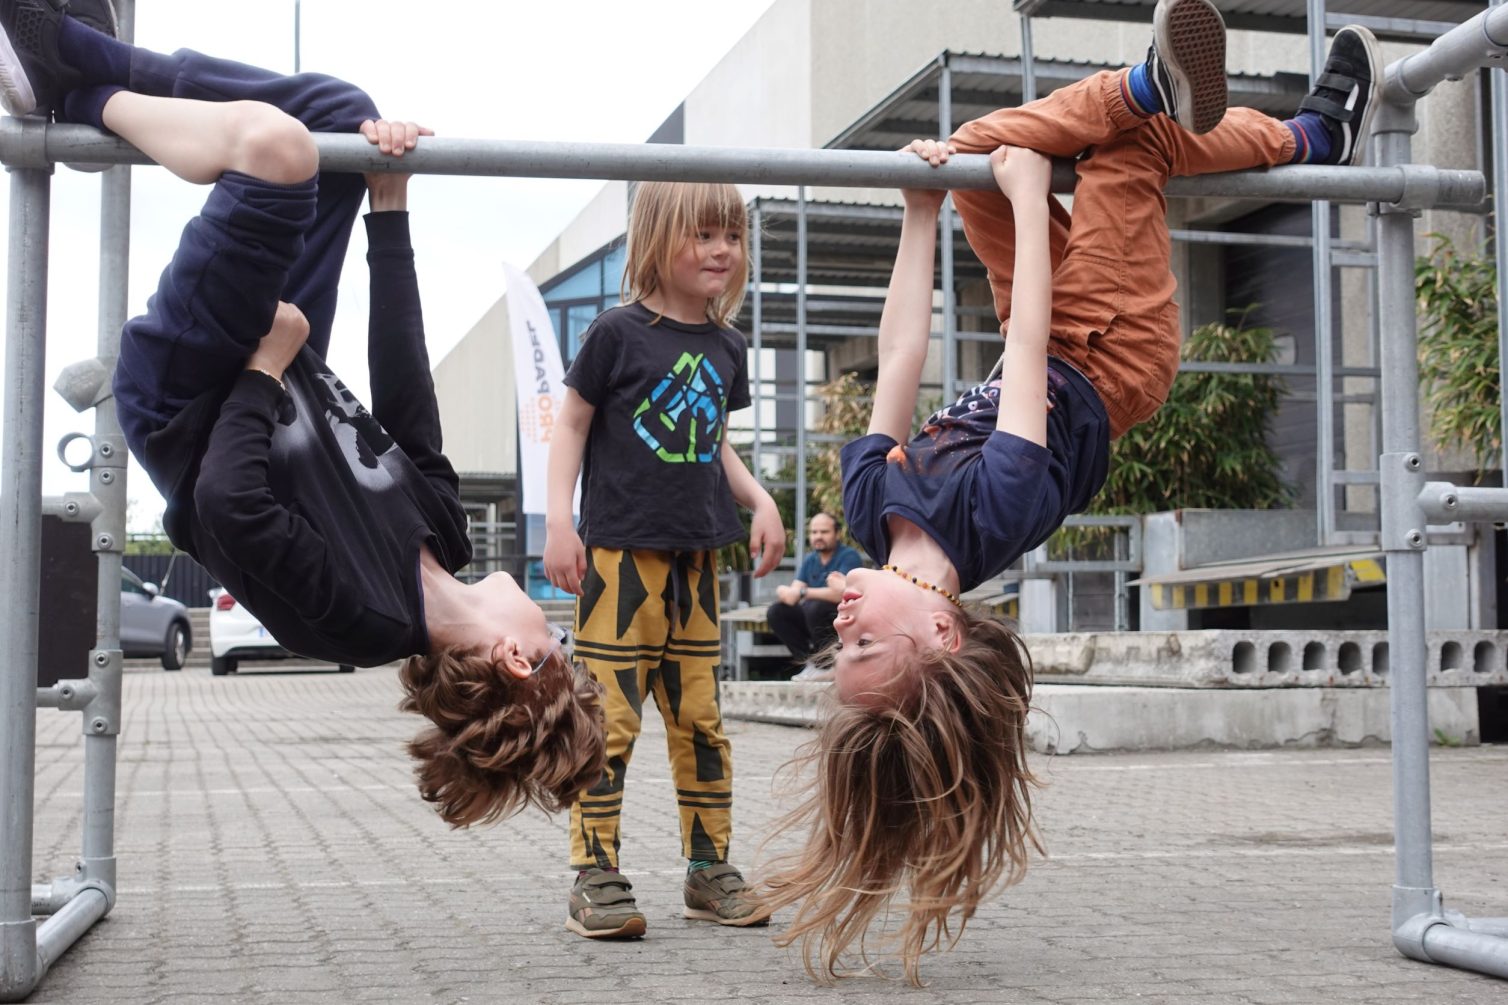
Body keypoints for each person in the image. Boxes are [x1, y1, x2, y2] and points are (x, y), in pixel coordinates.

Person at [756, 0, 1382, 983]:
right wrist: (1031, 194)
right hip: (1109, 354)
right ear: (941, 634)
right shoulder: (991, 521)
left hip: (1043, 327)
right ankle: (1307, 132)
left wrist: (917, 216)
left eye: (839, 647)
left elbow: (898, 354)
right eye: (861, 643)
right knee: (1123, 155)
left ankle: (1166, 96)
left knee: (971, 149)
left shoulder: (874, 509)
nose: (838, 622)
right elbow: (1025, 344)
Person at [0, 0, 606, 828]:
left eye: (556, 646)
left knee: (278, 153)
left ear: (514, 655)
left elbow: (224, 507)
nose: (554, 625)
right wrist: (388, 215)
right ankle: (78, 71)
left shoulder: (358, 619)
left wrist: (259, 374)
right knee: (338, 121)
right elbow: (405, 399)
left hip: (195, 391)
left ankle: (63, 66)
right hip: (281, 353)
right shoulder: (446, 540)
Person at [543, 180, 786, 938]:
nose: (722, 249)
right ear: (656, 238)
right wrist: (559, 519)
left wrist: (762, 499)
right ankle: (595, 871)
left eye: (732, 236)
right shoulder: (617, 333)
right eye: (704, 234)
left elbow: (711, 437)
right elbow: (572, 424)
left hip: (698, 564)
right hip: (619, 561)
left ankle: (707, 867)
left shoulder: (727, 345)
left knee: (703, 723)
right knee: (609, 722)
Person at [766, 512, 863, 680]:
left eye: (824, 532)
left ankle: (826, 665)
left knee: (815, 606)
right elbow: (792, 595)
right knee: (776, 611)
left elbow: (842, 594)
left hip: (840, 619)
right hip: (812, 618)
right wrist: (783, 591)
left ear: (837, 534)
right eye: (814, 532)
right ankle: (809, 664)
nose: (818, 536)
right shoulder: (811, 559)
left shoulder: (849, 556)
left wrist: (804, 592)